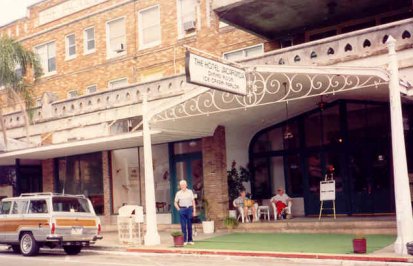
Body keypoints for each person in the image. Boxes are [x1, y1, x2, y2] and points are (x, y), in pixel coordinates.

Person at [174, 180, 196, 245]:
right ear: (180, 186)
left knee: (189, 225)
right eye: (181, 185)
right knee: (183, 226)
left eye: (184, 185)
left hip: (189, 209)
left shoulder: (190, 192)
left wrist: (194, 211)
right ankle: (184, 240)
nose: (183, 186)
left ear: (186, 185)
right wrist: (179, 209)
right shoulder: (178, 193)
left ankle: (190, 240)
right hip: (182, 209)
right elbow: (175, 202)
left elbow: (193, 201)